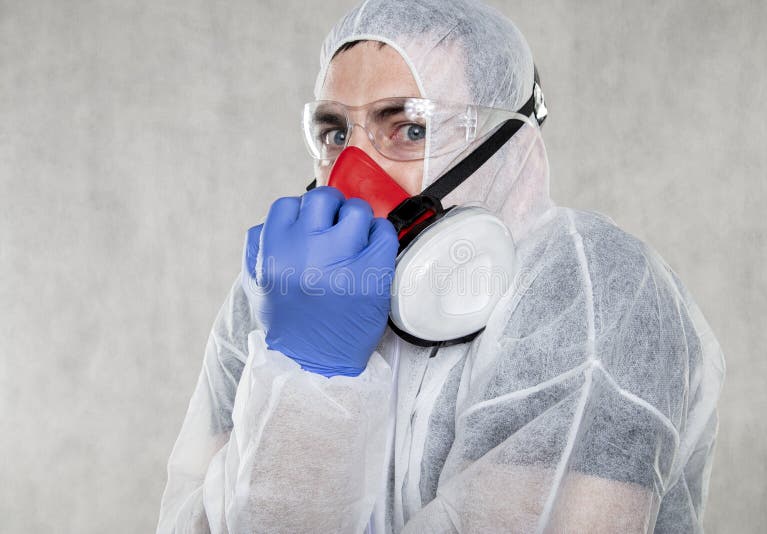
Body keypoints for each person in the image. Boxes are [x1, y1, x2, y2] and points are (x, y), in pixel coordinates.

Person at [157, 1, 725, 532]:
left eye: (409, 129)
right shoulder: (283, 295)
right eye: (335, 133)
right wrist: (305, 375)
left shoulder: (592, 293)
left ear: (505, 140)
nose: (354, 173)